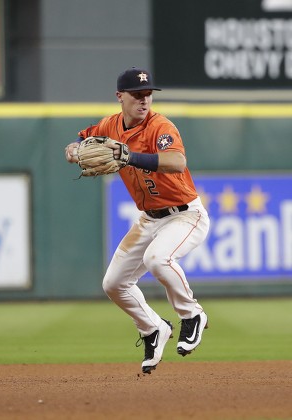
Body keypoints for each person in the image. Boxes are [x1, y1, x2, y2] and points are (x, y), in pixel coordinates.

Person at [65, 67, 210, 374]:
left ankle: (192, 314)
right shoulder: (110, 125)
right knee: (114, 283)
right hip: (149, 219)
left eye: (148, 95)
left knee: (158, 259)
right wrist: (75, 148)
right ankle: (153, 328)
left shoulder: (161, 126)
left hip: (185, 215)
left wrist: (130, 157)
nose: (144, 101)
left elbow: (177, 161)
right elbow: (84, 137)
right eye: (137, 95)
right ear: (120, 97)